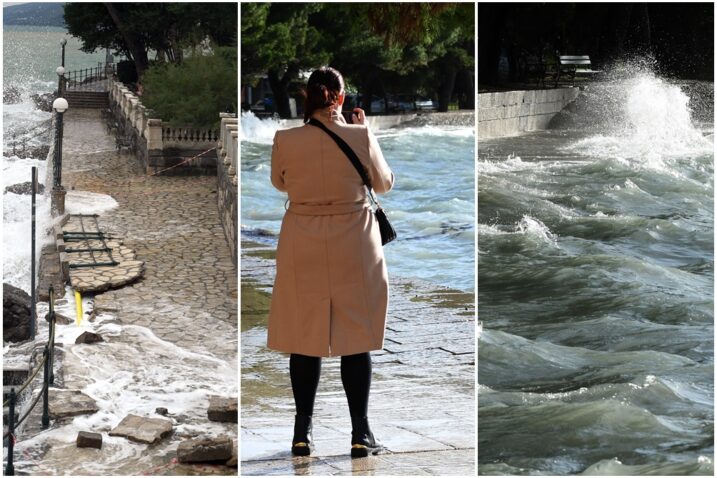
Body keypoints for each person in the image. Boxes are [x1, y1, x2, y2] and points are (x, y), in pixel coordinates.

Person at [268, 66, 394, 458]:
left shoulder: (285, 139)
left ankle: (301, 435)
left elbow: (279, 183)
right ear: (340, 98)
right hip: (354, 240)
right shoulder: (359, 135)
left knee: (303, 339)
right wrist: (366, 131)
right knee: (356, 339)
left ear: (309, 98)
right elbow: (384, 183)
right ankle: (360, 434)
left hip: (302, 238)